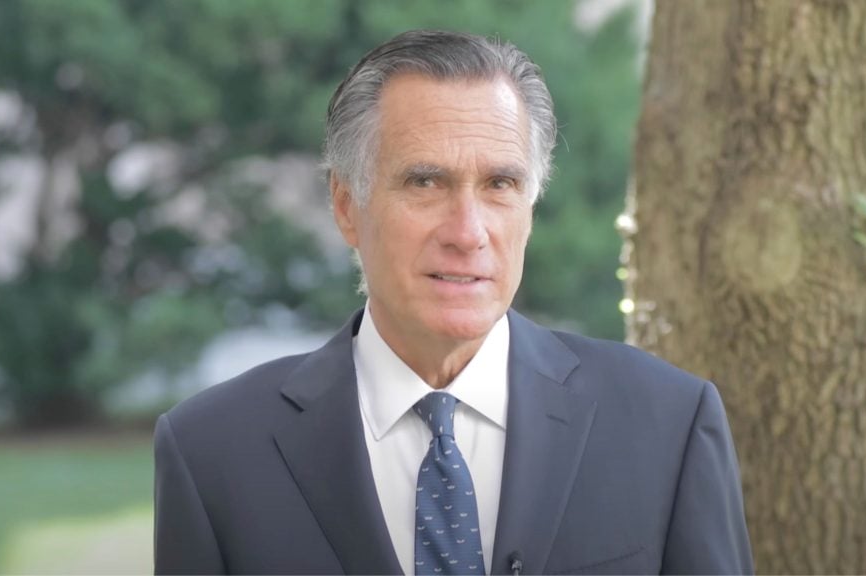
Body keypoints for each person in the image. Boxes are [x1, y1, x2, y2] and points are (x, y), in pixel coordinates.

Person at [154, 29, 753, 575]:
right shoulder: (212, 452)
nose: (467, 231)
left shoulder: (669, 423)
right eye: (425, 182)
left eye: (500, 185)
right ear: (345, 205)